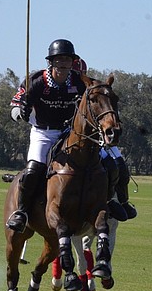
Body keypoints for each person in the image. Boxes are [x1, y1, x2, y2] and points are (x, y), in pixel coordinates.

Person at [6, 39, 89, 233]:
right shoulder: (35, 81)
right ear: (50, 62)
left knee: (100, 163)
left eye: (67, 61)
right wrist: (20, 113)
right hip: (43, 132)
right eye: (58, 60)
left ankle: (111, 202)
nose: (62, 65)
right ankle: (22, 212)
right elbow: (15, 106)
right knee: (34, 170)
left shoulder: (78, 82)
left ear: (72, 63)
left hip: (70, 133)